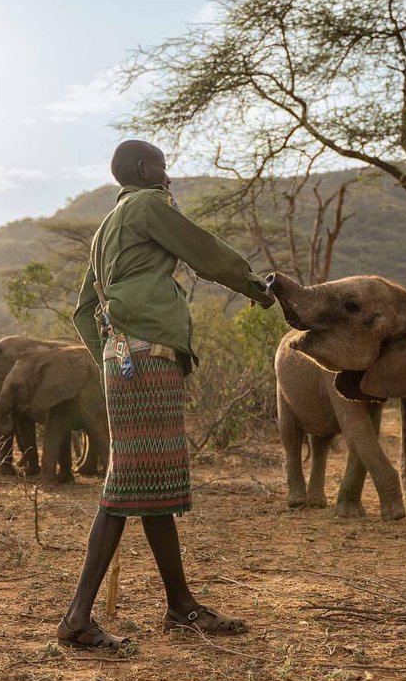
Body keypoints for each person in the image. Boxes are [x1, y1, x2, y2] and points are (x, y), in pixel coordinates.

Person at [57, 140, 274, 651]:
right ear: (142, 168)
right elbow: (204, 252)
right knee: (126, 484)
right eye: (161, 165)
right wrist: (254, 287)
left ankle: (181, 605)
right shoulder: (149, 205)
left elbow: (84, 311)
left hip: (126, 360)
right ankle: (76, 618)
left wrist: (113, 357)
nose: (169, 176)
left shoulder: (105, 230)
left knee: (149, 480)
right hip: (148, 356)